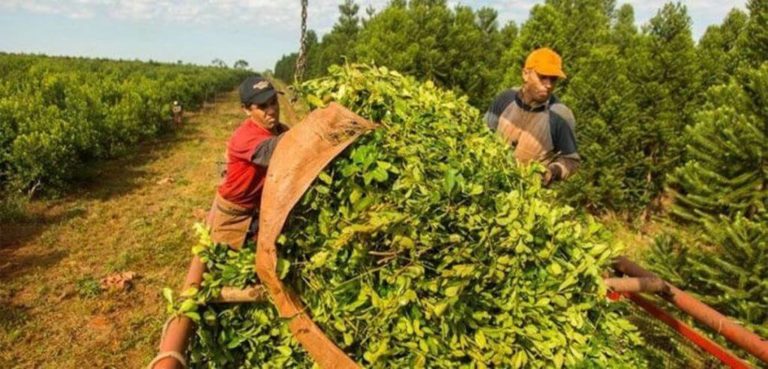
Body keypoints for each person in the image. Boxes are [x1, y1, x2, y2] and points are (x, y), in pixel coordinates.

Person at [206, 76, 288, 249]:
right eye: (263, 106)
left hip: (258, 208)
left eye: (274, 102)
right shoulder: (246, 136)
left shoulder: (280, 130)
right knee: (228, 265)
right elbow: (277, 151)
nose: (272, 110)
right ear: (246, 110)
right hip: (235, 214)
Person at [485, 47, 580, 186]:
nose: (548, 85)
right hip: (489, 183)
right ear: (525, 74)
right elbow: (482, 133)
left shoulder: (560, 115)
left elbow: (572, 160)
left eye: (553, 79)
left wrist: (552, 171)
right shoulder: (505, 99)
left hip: (527, 194)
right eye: (542, 77)